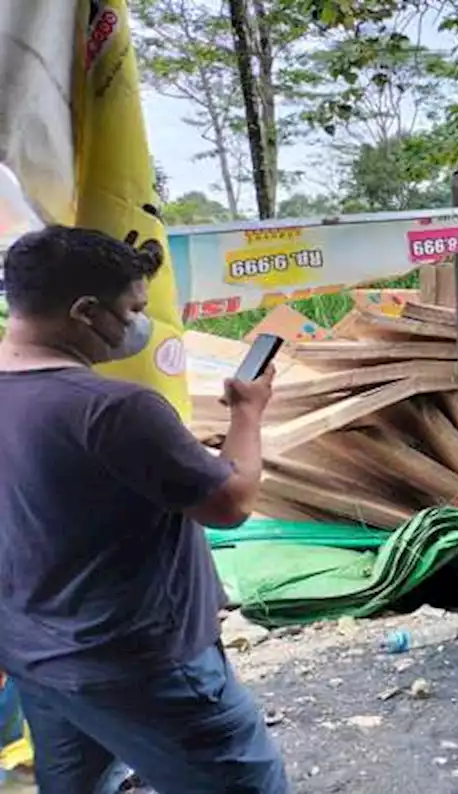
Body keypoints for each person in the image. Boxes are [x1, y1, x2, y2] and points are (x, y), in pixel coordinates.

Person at [0, 226, 288, 793]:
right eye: (131, 309)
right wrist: (247, 414)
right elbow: (230, 503)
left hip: (38, 658)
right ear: (85, 311)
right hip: (143, 667)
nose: (137, 324)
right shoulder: (113, 411)